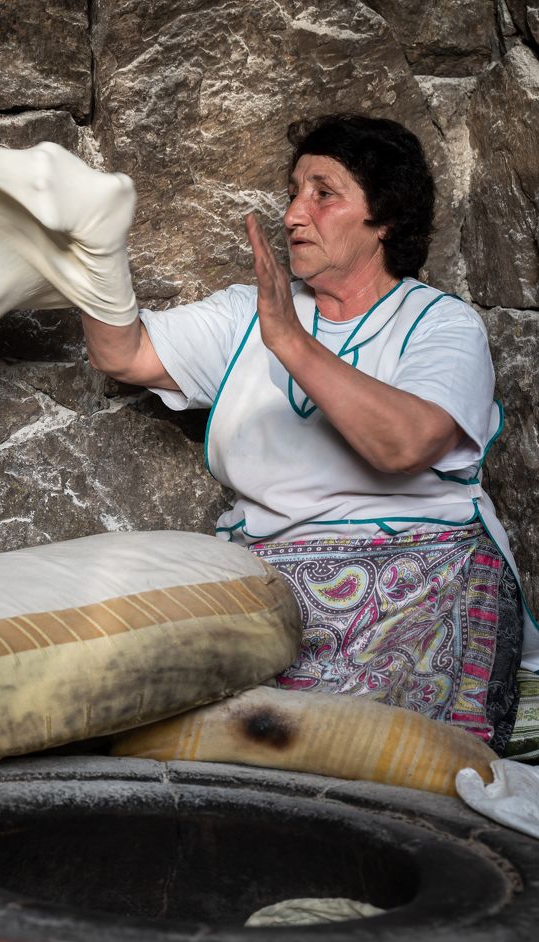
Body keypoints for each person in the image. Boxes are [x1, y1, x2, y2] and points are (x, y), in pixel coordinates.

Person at [81, 114, 538, 756]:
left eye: (323, 193)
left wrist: (290, 342)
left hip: (418, 581)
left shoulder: (442, 325)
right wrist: (92, 251)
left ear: (384, 217)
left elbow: (403, 446)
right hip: (273, 590)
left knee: (362, 752)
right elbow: (123, 353)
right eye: (294, 191)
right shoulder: (253, 311)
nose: (295, 214)